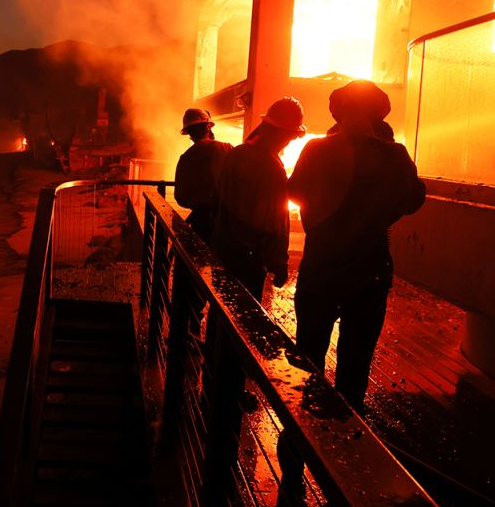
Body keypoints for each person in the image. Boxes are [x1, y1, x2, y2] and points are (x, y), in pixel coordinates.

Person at [287, 80, 426, 412]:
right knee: (356, 360)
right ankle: (346, 432)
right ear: (380, 115)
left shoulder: (316, 149)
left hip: (320, 267)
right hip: (369, 272)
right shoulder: (395, 154)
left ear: (337, 111)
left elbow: (294, 192)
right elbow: (412, 200)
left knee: (308, 354)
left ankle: (301, 431)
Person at [213, 97, 307, 300]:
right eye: (290, 136)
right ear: (280, 133)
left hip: (224, 249)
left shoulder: (236, 154)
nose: (289, 142)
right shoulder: (272, 167)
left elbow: (220, 197)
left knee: (221, 310)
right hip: (250, 259)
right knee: (243, 317)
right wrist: (279, 263)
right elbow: (276, 220)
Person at [173, 108, 234, 241]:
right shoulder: (227, 149)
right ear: (208, 127)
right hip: (228, 223)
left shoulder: (185, 158)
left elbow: (180, 197)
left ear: (189, 133)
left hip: (201, 224)